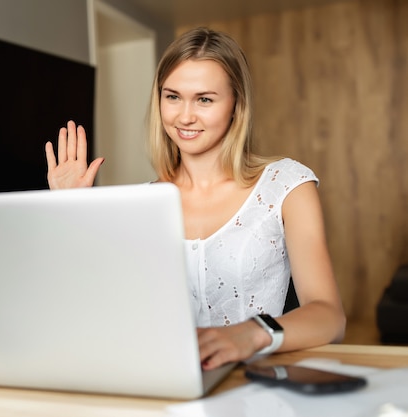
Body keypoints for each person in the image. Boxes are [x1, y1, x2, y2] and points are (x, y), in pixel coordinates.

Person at [45, 27, 346, 370]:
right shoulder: (139, 205)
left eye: (204, 99)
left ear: (237, 104)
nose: (184, 116)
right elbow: (99, 314)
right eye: (172, 96)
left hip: (257, 384)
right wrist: (70, 216)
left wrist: (250, 334)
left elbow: (329, 317)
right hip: (163, 383)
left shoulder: (287, 185)